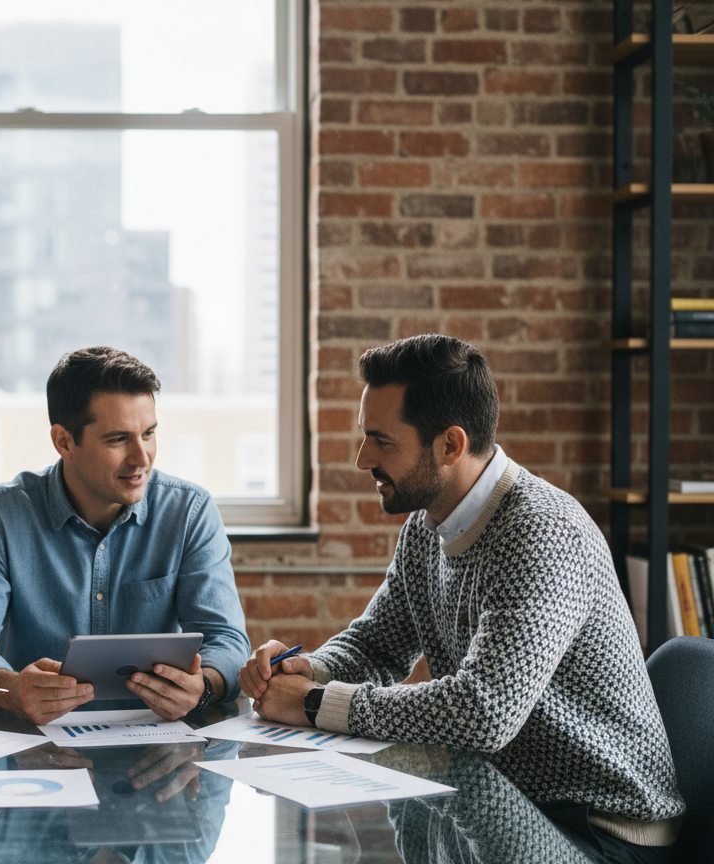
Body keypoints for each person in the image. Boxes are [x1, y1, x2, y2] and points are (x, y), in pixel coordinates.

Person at [239, 335, 684, 860]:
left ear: (450, 445)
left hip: (600, 832)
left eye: (381, 441)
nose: (362, 459)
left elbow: (484, 711)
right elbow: (376, 646)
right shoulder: (427, 527)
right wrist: (307, 670)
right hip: (505, 805)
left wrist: (316, 704)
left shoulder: (542, 531)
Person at [0, 346, 250, 724]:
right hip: (35, 747)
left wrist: (203, 687)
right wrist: (11, 689)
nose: (142, 457)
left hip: (156, 740)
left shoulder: (189, 512)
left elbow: (227, 640)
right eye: (118, 439)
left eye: (148, 434)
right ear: (64, 441)